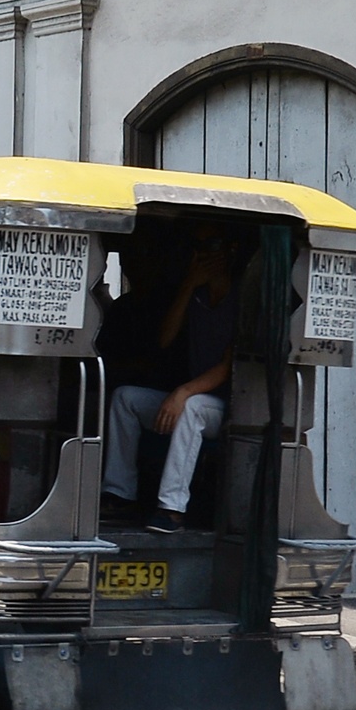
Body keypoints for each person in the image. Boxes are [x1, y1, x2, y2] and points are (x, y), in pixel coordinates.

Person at [101, 227, 242, 534]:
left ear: (230, 252)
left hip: (231, 405)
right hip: (193, 396)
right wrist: (190, 284)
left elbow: (229, 364)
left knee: (193, 407)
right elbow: (165, 339)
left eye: (212, 247)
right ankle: (120, 493)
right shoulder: (197, 296)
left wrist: (183, 392)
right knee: (126, 398)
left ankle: (171, 508)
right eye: (199, 248)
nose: (204, 255)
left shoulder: (242, 298)